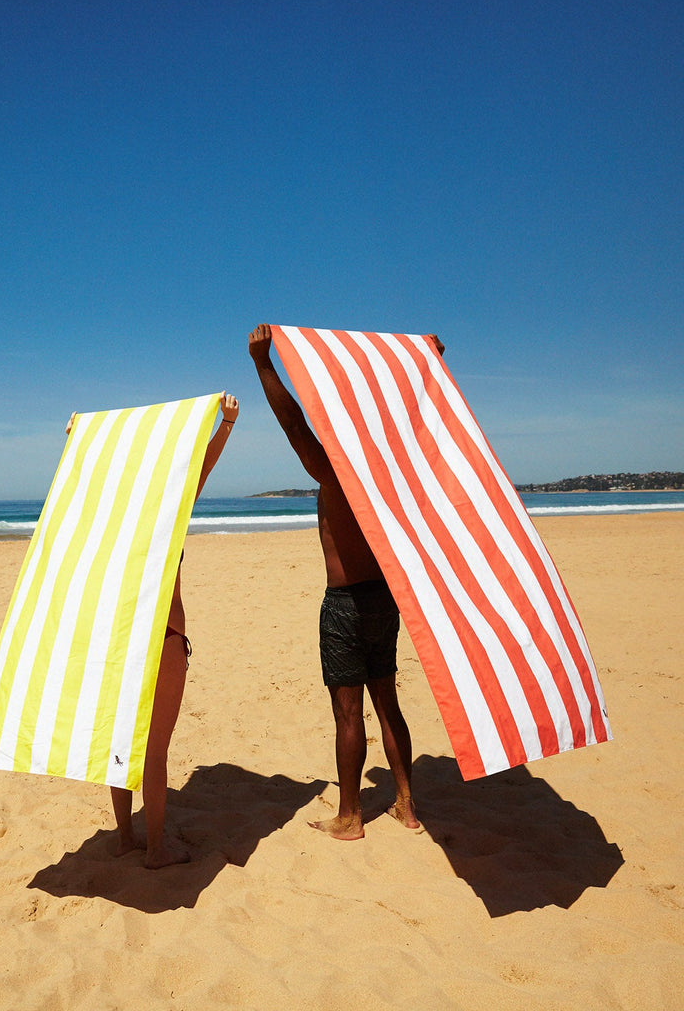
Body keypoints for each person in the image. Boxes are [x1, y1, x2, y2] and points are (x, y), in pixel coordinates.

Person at [248, 324, 434, 840]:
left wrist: (264, 364)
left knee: (348, 711)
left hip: (346, 603)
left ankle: (351, 817)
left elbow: (292, 422)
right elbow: (414, 421)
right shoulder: (388, 471)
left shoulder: (333, 470)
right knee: (387, 700)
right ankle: (406, 806)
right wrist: (428, 366)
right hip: (385, 599)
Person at [67, 391, 239, 868]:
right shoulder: (165, 511)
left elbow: (76, 492)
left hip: (116, 635)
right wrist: (224, 425)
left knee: (120, 742)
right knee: (155, 750)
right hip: (161, 637)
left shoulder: (104, 517)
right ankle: (158, 849)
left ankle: (125, 836)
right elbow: (198, 471)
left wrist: (78, 445)